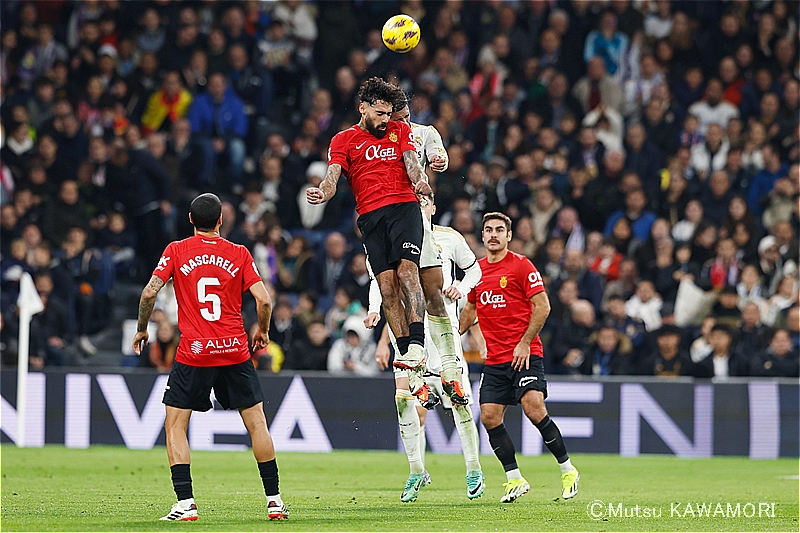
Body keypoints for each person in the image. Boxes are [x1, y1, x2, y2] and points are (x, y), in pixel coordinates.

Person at [132, 193, 288, 522]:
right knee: (256, 423)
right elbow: (264, 300)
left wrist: (142, 329)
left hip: (195, 352)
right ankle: (274, 501)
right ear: (221, 220)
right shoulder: (239, 253)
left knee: (175, 424)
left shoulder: (176, 250)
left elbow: (149, 292)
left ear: (190, 219)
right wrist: (262, 331)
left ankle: (185, 503)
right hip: (234, 350)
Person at [306, 77, 433, 404]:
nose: (385, 119)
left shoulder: (399, 130)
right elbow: (332, 177)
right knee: (387, 288)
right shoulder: (343, 139)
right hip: (370, 218)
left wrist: (420, 182)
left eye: (389, 113)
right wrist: (323, 192)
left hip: (403, 208)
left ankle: (417, 342)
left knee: (407, 271)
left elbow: (413, 165)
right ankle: (407, 357)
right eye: (379, 113)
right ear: (363, 108)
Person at [365, 192, 484, 502]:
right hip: (405, 335)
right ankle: (416, 470)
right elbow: (379, 283)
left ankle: (473, 469)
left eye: (424, 201)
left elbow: (475, 269)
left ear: (432, 206)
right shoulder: (388, 237)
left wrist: (461, 287)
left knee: (458, 398)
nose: (419, 205)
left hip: (442, 332)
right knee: (403, 400)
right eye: (413, 199)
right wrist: (374, 309)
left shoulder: (448, 237)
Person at [460, 212, 579, 503]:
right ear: (483, 235)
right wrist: (450, 335)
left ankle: (568, 470)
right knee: (489, 417)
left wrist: (525, 343)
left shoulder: (521, 265)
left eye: (499, 230)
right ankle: (514, 479)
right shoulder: (476, 271)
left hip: (524, 354)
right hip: (495, 359)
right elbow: (471, 310)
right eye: (488, 230)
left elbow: (543, 306)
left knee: (533, 407)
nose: (493, 235)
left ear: (509, 236)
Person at [387, 88, 469, 405]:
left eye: (408, 117)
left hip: (418, 222)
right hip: (387, 223)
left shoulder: (425, 133)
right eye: (399, 120)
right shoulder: (375, 141)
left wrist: (439, 160)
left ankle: (450, 371)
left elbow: (440, 156)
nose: (406, 124)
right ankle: (417, 379)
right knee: (398, 297)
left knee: (433, 292)